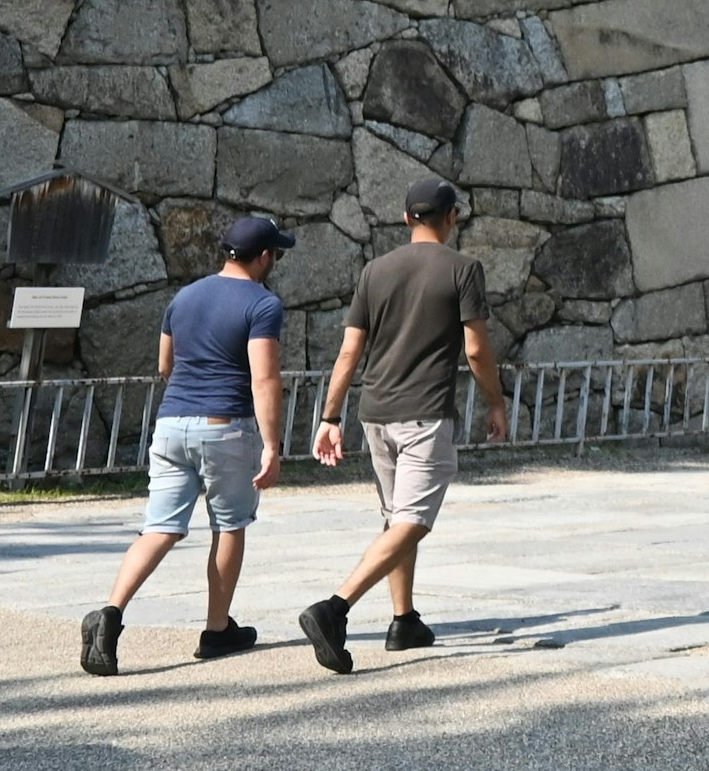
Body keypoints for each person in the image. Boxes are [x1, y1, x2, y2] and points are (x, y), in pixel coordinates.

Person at [298, 177, 507, 673]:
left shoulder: (375, 270)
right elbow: (476, 349)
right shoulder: (463, 269)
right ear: (452, 217)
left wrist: (330, 417)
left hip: (375, 414)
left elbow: (350, 350)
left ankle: (404, 619)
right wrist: (495, 402)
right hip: (425, 414)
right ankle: (335, 608)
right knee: (413, 520)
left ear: (405, 218)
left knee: (396, 517)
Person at [82, 213, 293, 677]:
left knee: (160, 527)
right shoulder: (262, 304)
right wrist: (272, 445)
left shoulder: (184, 296)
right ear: (264, 257)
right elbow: (263, 377)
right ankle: (217, 631)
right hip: (226, 426)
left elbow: (165, 365)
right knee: (230, 525)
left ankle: (110, 615)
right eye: (275, 253)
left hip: (172, 423)